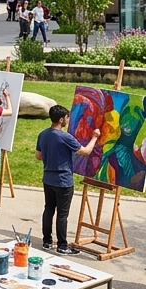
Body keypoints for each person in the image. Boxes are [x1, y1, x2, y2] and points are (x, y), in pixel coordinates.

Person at [36, 104, 99, 252]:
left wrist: (51, 154)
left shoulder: (43, 134)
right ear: (60, 120)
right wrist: (95, 137)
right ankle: (63, 246)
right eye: (66, 118)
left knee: (49, 209)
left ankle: (47, 241)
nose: (68, 120)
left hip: (48, 179)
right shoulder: (65, 137)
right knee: (62, 214)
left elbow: (38, 156)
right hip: (63, 181)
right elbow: (86, 151)